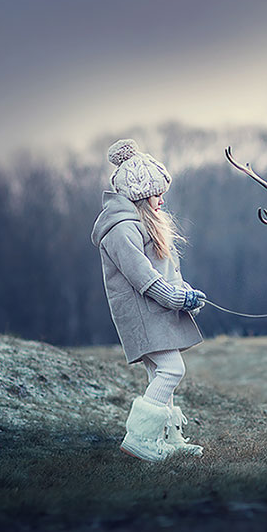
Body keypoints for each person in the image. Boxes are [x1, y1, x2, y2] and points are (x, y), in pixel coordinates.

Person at [91, 139, 206, 461]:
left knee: (160, 373)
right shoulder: (120, 229)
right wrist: (175, 297)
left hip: (157, 313)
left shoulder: (144, 224)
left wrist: (187, 295)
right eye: (157, 193)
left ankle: (167, 437)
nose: (162, 199)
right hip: (142, 316)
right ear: (141, 194)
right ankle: (140, 438)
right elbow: (142, 276)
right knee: (171, 370)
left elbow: (166, 270)